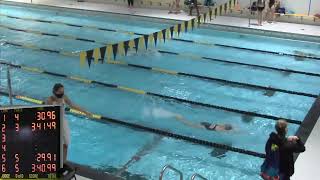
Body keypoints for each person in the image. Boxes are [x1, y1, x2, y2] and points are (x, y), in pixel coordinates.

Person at [46, 83, 92, 165]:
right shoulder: (50, 100)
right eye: (60, 92)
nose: (62, 93)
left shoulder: (64, 97)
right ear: (54, 91)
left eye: (63, 91)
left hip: (63, 122)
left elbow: (73, 105)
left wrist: (85, 111)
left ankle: (63, 163)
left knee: (66, 144)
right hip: (53, 123)